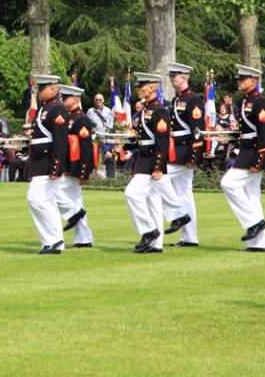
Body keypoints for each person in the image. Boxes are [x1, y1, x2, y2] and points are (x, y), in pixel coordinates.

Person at [122, 72, 180, 254]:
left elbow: (162, 142)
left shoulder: (159, 111)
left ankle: (149, 231)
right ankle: (156, 244)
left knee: (131, 193)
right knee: (152, 202)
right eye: (138, 87)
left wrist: (158, 166)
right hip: (144, 158)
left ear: (153, 88)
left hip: (151, 161)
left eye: (142, 86)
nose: (139, 89)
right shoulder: (146, 109)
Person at [219, 64, 265, 252]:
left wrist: (259, 160)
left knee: (228, 183)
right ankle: (258, 243)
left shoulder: (260, 102)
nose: (239, 82)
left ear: (254, 81)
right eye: (239, 79)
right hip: (246, 149)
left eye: (243, 79)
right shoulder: (243, 100)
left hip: (254, 152)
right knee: (252, 196)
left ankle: (255, 222)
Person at [25, 74, 69, 254]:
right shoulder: (46, 109)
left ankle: (53, 240)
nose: (38, 93)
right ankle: (53, 242)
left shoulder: (56, 110)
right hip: (40, 162)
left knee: (35, 199)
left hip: (47, 162)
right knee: (47, 202)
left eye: (41, 90)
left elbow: (60, 141)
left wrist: (56, 166)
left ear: (52, 89)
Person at [163, 63, 205, 248]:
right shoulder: (175, 100)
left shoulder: (193, 100)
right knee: (185, 195)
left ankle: (178, 216)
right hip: (176, 149)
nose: (173, 79)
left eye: (176, 76)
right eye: (171, 76)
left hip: (184, 150)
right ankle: (190, 237)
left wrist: (194, 155)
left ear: (185, 77)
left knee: (157, 179)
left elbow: (197, 130)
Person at [56, 84, 95, 248]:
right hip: (68, 165)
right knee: (76, 200)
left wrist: (84, 173)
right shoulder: (66, 116)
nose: (62, 100)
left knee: (53, 191)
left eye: (66, 98)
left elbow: (86, 148)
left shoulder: (81, 119)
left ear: (76, 99)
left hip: (75, 167)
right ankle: (84, 239)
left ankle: (74, 213)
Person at [86, 93, 115, 178]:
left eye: (100, 100)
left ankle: (111, 178)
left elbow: (111, 126)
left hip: (106, 138)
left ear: (103, 100)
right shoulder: (90, 111)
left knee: (108, 156)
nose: (98, 101)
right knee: (94, 158)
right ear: (94, 101)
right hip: (94, 138)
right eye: (96, 100)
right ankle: (93, 177)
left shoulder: (108, 110)